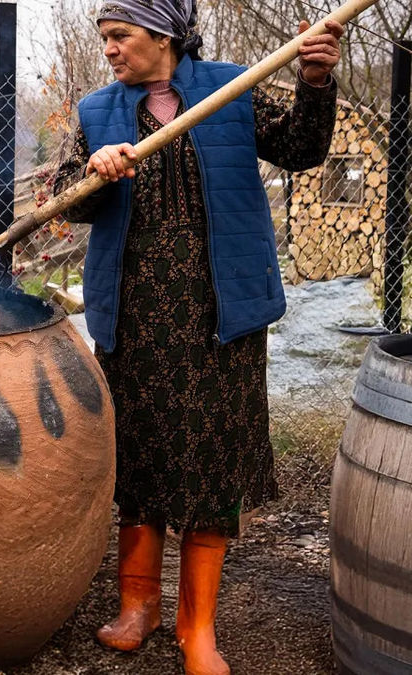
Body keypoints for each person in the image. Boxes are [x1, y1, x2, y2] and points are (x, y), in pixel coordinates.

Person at [51, 2, 342, 673]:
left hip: (221, 310)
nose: (110, 51)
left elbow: (303, 147)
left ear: (163, 36)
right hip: (136, 312)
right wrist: (92, 169)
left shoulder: (233, 89)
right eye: (105, 39)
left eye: (119, 37)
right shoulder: (98, 111)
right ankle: (138, 605)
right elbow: (65, 200)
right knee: (140, 455)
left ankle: (197, 625)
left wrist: (316, 82)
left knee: (212, 463)